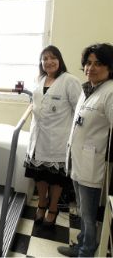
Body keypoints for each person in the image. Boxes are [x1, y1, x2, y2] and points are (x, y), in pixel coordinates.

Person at [58, 43, 113, 257]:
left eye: (98, 63)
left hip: (93, 162)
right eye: (88, 63)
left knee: (89, 215)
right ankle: (81, 244)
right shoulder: (88, 88)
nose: (91, 68)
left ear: (110, 67)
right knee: (81, 210)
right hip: (78, 159)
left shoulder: (109, 92)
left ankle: (87, 251)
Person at [24, 45, 81, 226]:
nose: (48, 62)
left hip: (58, 138)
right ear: (41, 63)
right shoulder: (39, 79)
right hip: (38, 136)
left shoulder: (69, 81)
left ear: (59, 60)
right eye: (45, 58)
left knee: (56, 178)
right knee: (39, 175)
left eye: (52, 58)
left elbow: (79, 110)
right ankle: (42, 204)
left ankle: (53, 208)